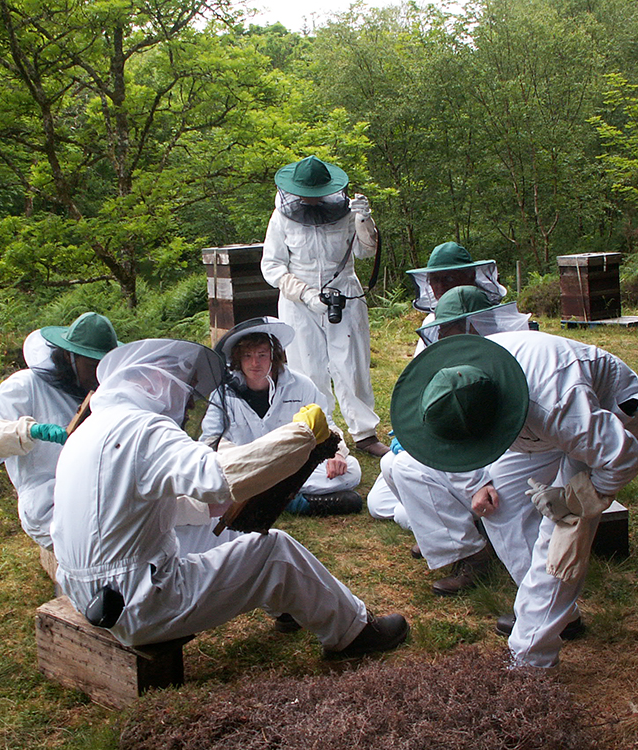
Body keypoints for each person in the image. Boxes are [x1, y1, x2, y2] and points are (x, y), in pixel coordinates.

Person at [50, 338, 410, 658]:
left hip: (90, 594)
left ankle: (286, 600)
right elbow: (219, 476)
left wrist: (216, 508)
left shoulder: (93, 428)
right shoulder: (143, 429)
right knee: (273, 550)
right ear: (158, 383)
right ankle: (352, 632)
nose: (189, 403)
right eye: (187, 390)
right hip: (140, 601)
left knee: (237, 530)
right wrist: (300, 435)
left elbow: (141, 504)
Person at [389, 286, 638, 668]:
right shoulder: (465, 376)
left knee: (561, 536)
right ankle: (555, 612)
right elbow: (469, 431)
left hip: (612, 412)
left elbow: (623, 456)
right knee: (499, 506)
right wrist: (481, 481)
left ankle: (531, 658)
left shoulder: (560, 407)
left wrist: (581, 496)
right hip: (528, 425)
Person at [365, 264, 530, 595]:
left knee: (412, 467)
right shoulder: (470, 354)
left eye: (449, 327)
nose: (440, 336)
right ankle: (446, 536)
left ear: (472, 324)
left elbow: (487, 446)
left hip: (514, 468)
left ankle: (474, 554)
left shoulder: (507, 362)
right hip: (486, 460)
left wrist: (466, 474)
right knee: (393, 465)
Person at [0, 312, 120, 573]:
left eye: (105, 363)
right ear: (70, 357)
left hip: (100, 495)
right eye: (92, 363)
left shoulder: (102, 392)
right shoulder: (26, 385)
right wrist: (28, 432)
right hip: (48, 505)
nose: (99, 372)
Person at [260, 155, 388, 457]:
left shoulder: (345, 213)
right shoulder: (281, 218)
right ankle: (322, 431)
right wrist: (304, 293)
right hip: (299, 302)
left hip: (344, 293)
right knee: (307, 365)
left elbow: (366, 252)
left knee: (351, 363)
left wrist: (364, 221)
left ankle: (365, 433)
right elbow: (272, 266)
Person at [200, 317, 363, 516]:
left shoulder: (301, 385)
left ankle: (259, 497)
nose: (255, 363)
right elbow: (209, 438)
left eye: (262, 355)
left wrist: (337, 454)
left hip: (291, 465)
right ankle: (294, 502)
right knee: (215, 476)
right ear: (237, 359)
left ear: (273, 356)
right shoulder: (223, 392)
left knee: (351, 470)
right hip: (245, 465)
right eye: (247, 355)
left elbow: (326, 425)